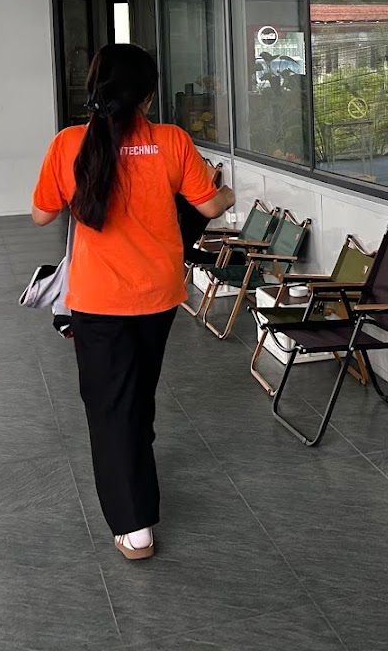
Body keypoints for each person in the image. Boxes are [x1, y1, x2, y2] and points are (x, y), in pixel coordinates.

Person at [31, 44, 234, 560]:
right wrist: (227, 195)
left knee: (110, 406)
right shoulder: (172, 140)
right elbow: (210, 206)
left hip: (97, 300)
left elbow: (41, 215)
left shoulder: (69, 143)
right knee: (138, 388)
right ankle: (136, 455)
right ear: (148, 95)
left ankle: (134, 525)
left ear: (94, 89)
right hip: (159, 296)